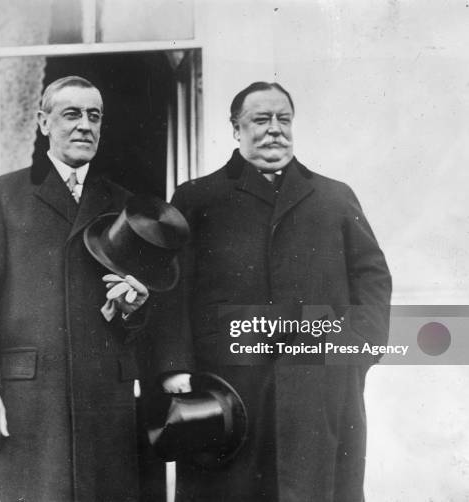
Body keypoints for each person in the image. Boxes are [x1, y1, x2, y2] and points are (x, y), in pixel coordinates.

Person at [151, 82, 392, 501]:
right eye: (261, 120)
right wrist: (175, 365)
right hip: (227, 387)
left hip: (319, 383)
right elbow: (171, 288)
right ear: (236, 128)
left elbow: (372, 277)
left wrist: (358, 349)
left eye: (283, 119)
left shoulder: (334, 198)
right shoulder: (198, 198)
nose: (274, 130)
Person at [0, 75, 185, 501]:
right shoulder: (2, 195)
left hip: (106, 399)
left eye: (94, 116)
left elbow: (146, 314)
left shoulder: (125, 204)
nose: (84, 125)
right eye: (71, 114)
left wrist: (134, 307)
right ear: (43, 123)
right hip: (30, 398)